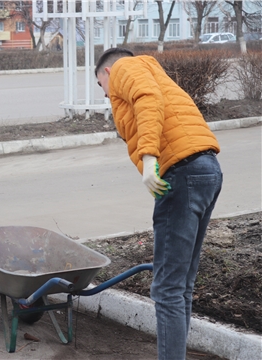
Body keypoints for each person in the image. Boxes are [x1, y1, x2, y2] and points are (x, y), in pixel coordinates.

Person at [94, 48, 223, 360]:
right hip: (207, 170)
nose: (105, 94)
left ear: (108, 73)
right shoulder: (152, 70)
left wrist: (149, 159)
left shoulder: (124, 68)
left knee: (166, 290)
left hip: (180, 173)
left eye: (101, 86)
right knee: (181, 287)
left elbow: (148, 99)